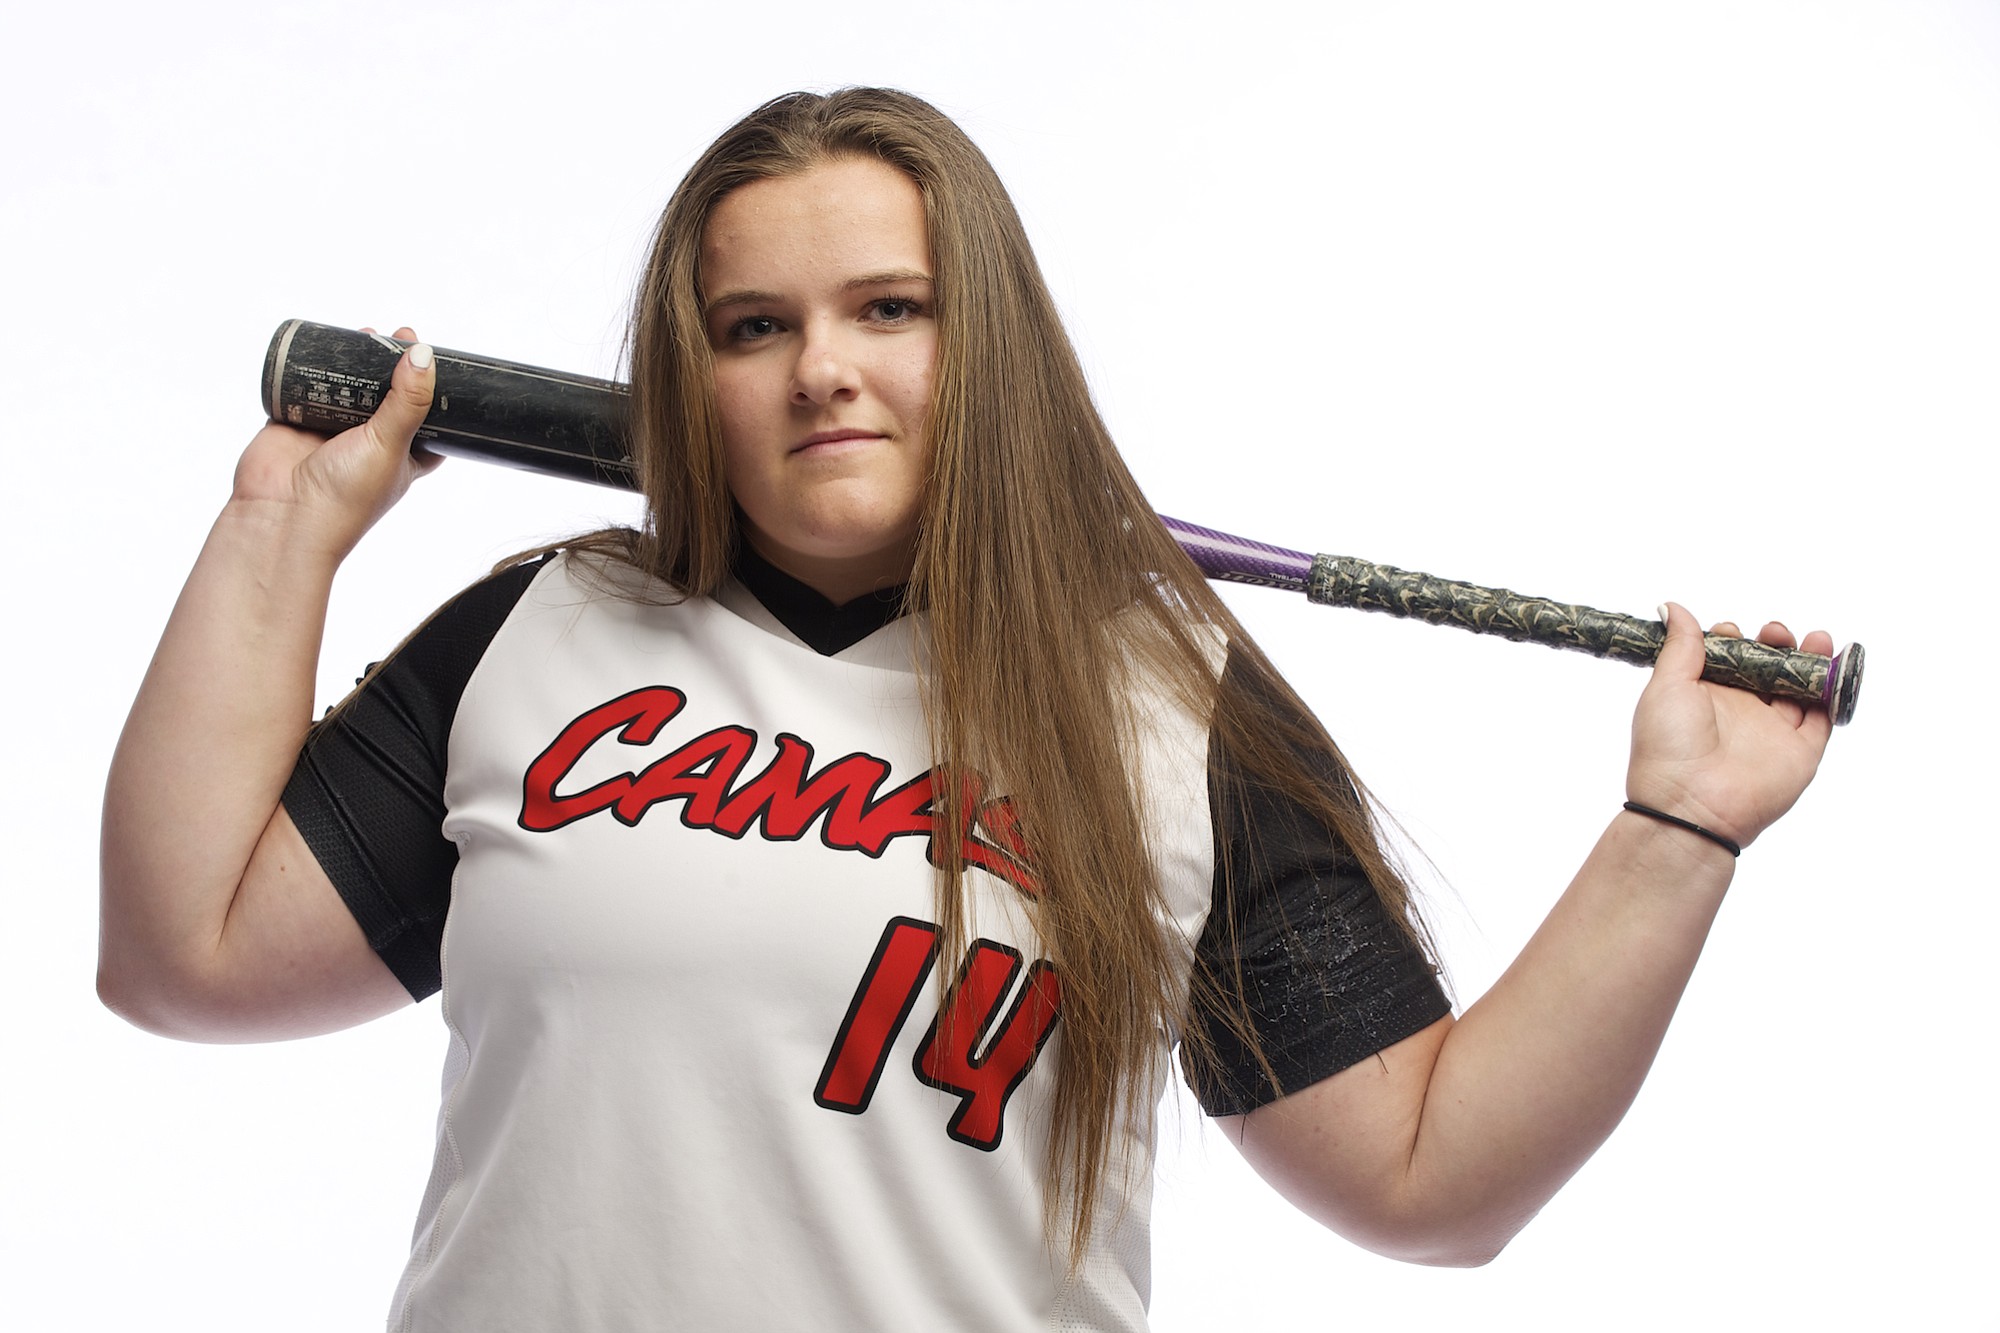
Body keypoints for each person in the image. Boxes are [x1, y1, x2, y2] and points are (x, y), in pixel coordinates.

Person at [98, 89, 1833, 1330]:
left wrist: (1675, 831)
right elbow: (183, 952)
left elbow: (1429, 1179)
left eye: (889, 310)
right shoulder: (539, 633)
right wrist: (284, 526)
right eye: (752, 323)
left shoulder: (1171, 697)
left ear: (985, 346)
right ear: (688, 374)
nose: (822, 367)